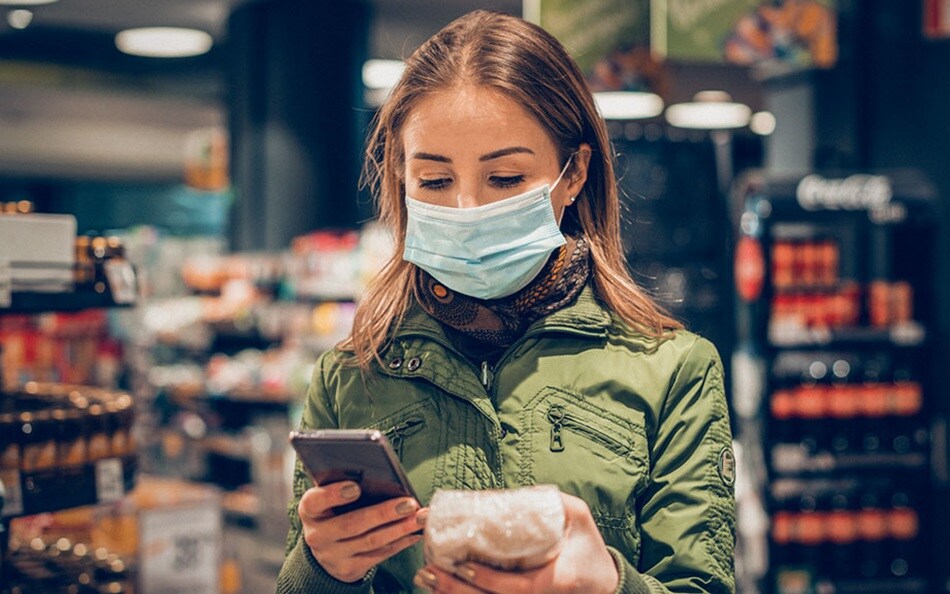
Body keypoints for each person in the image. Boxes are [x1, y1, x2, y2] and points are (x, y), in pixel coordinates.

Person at [276, 9, 735, 594]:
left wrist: (608, 587)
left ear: (572, 176)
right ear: (400, 177)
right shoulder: (350, 376)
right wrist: (322, 569)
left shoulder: (674, 370)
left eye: (506, 179)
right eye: (435, 182)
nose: (467, 209)